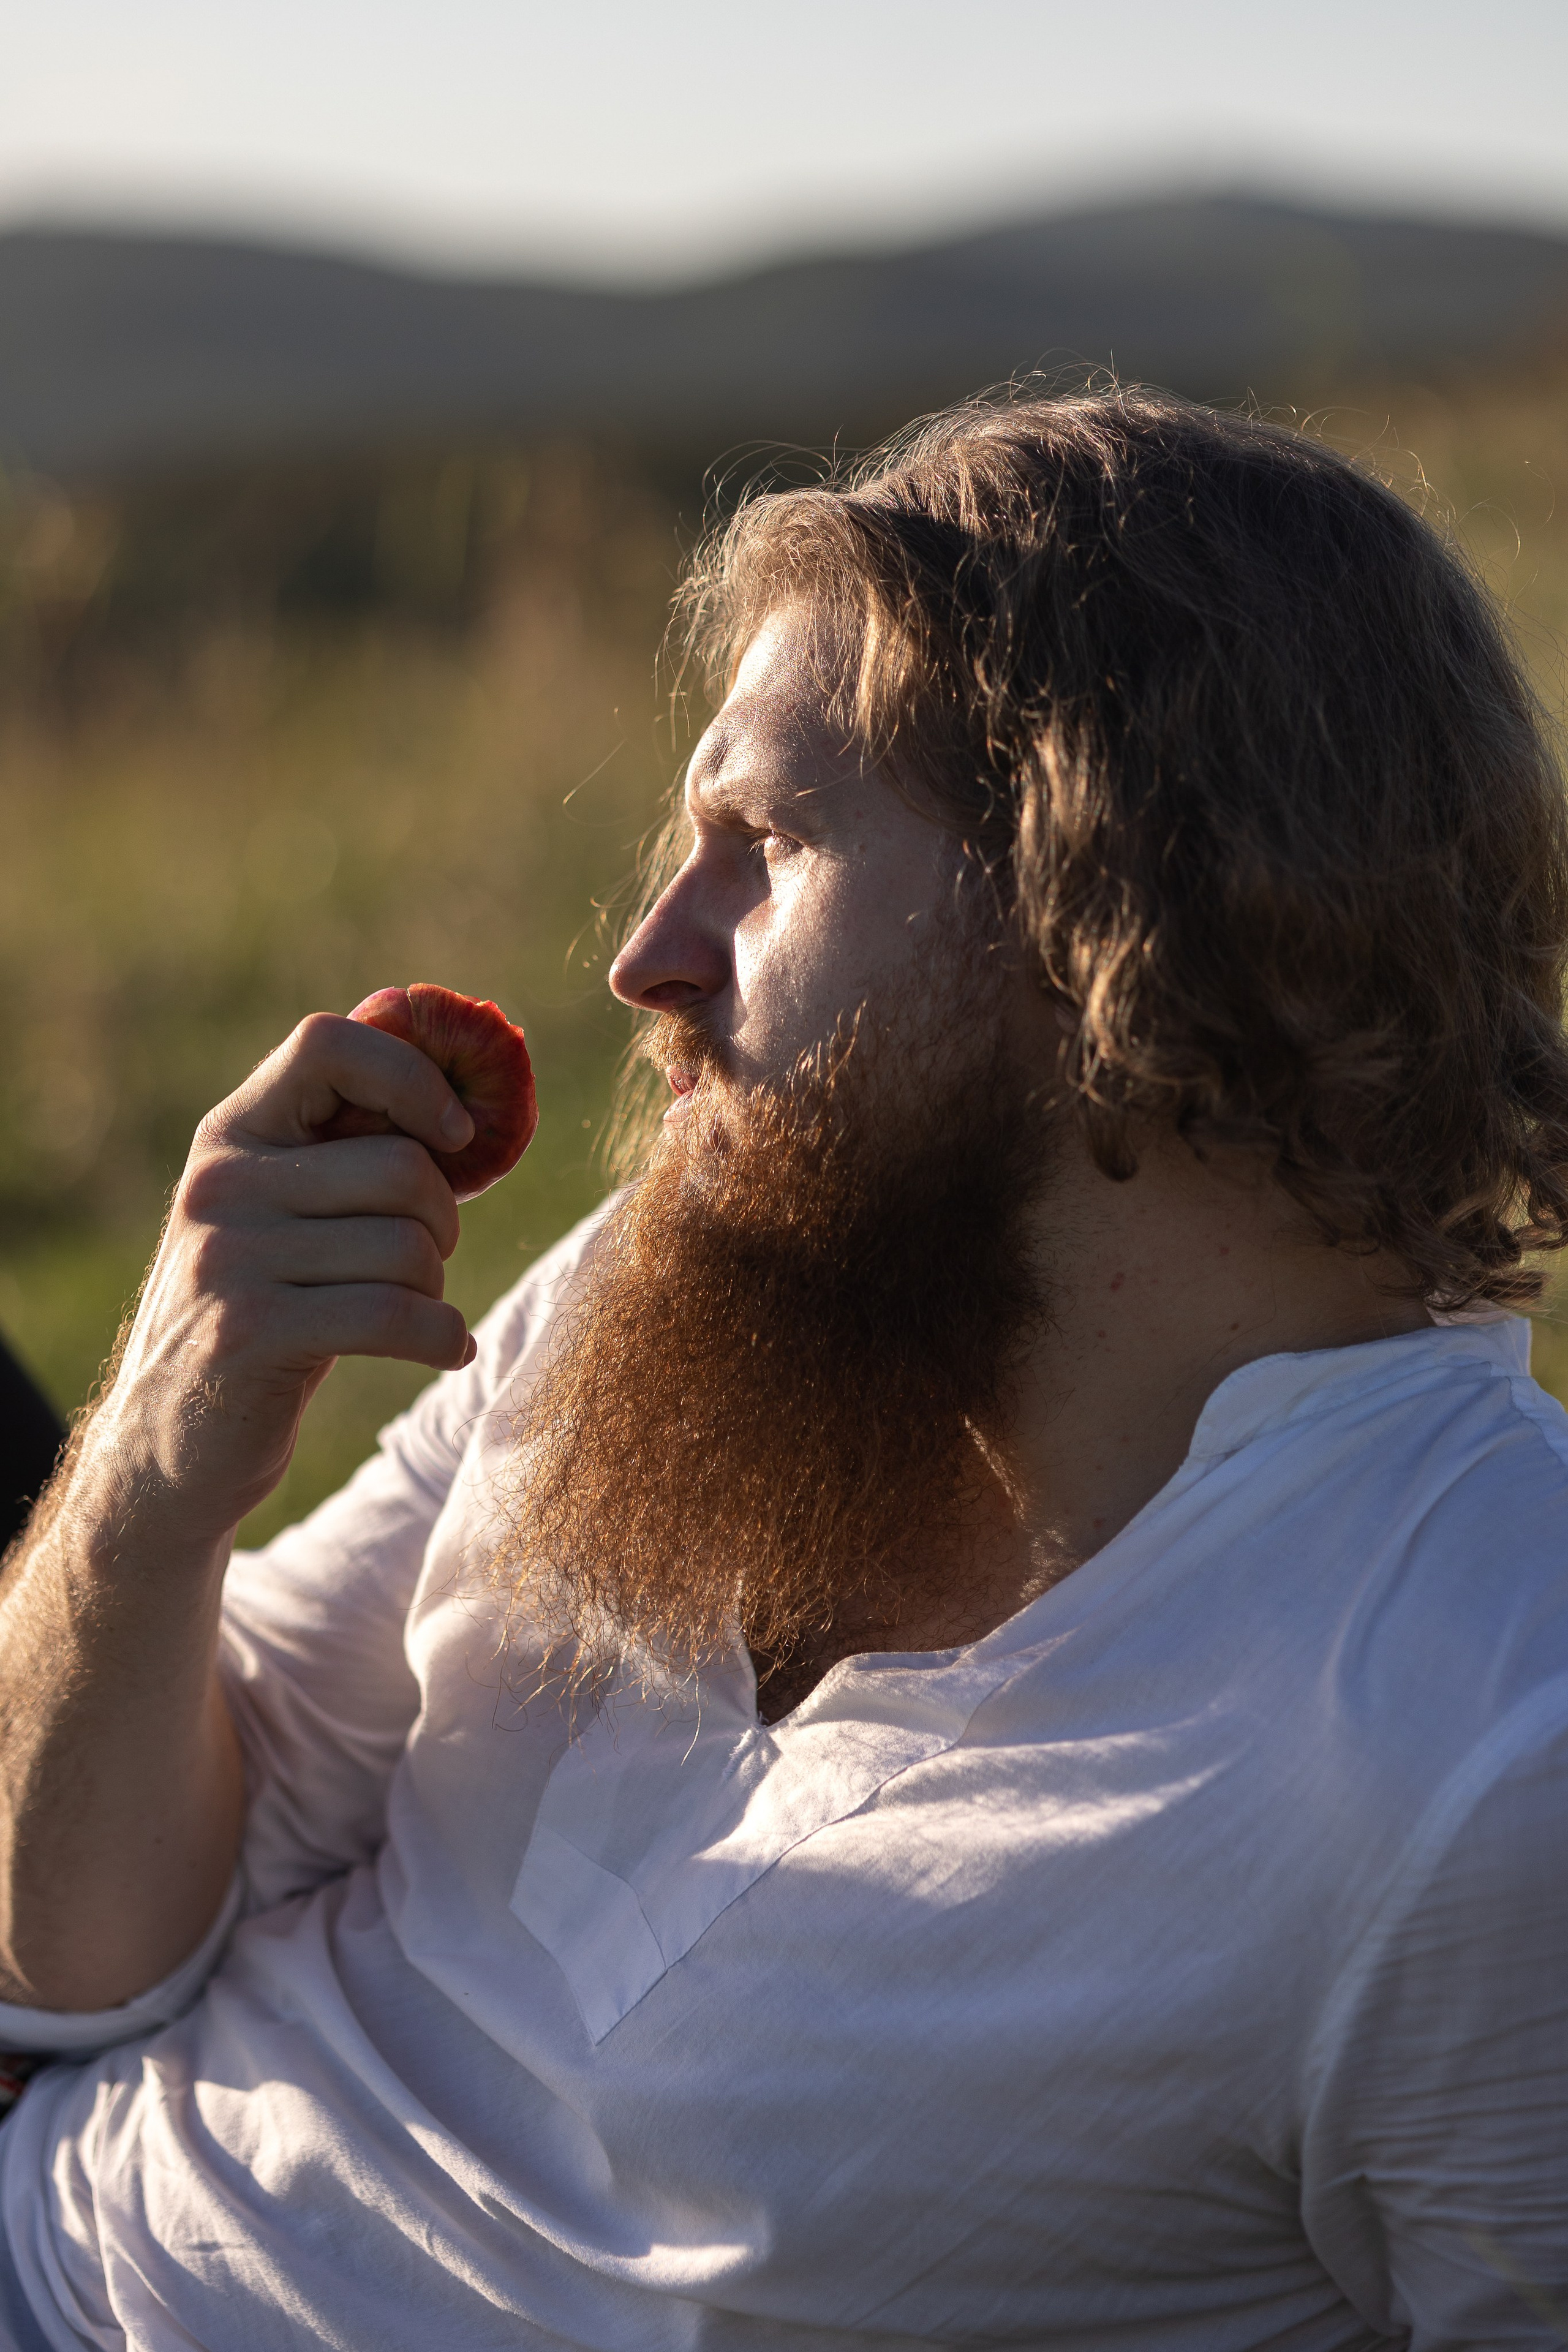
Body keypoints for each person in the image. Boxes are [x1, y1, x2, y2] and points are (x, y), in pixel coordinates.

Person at [0, 387, 1564, 2351]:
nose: (649, 953)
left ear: (1126, 916)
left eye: (765, 843)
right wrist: (150, 1485)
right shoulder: (681, 1288)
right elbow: (71, 1957)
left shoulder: (1487, 1737)